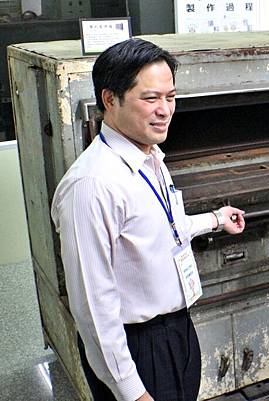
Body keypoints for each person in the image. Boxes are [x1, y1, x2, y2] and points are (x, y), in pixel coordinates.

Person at [51, 38, 245, 401]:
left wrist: (215, 219)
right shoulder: (92, 186)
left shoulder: (150, 156)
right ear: (110, 99)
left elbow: (161, 232)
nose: (165, 110)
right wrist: (131, 392)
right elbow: (93, 308)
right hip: (136, 347)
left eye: (170, 97)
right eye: (150, 98)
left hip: (176, 331)